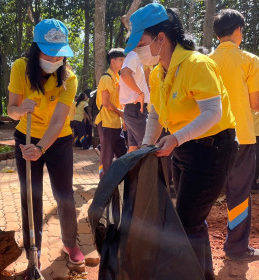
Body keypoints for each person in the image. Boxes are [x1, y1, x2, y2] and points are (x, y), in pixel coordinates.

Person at [125, 4, 237, 279]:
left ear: (160, 38)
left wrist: (175, 138)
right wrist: (146, 147)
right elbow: (155, 114)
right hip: (184, 148)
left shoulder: (196, 64)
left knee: (187, 220)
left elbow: (213, 113)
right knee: (189, 218)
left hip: (213, 149)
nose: (137, 51)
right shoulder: (157, 72)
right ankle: (201, 273)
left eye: (140, 43)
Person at [7, 19, 85, 274]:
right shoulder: (20, 68)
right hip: (25, 138)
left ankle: (70, 244)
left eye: (58, 53)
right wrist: (21, 109)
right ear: (35, 49)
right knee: (30, 196)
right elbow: (11, 110)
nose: (53, 58)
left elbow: (58, 121)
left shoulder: (69, 78)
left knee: (65, 195)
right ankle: (34, 250)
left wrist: (41, 148)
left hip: (58, 140)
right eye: (47, 52)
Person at [210, 9, 259, 261]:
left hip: (210, 135)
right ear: (238, 30)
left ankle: (193, 246)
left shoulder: (205, 61)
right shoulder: (250, 59)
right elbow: (255, 103)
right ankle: (236, 247)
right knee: (238, 192)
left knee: (204, 190)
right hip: (241, 136)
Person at [95, 48, 127, 178]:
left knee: (123, 155)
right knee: (106, 157)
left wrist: (122, 118)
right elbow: (106, 103)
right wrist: (121, 113)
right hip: (106, 122)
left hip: (116, 123)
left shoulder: (118, 77)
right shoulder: (106, 78)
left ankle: (121, 181)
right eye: (121, 60)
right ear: (112, 61)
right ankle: (104, 184)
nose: (123, 62)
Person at [119, 48, 150, 152]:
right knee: (148, 146)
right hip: (136, 108)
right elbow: (124, 74)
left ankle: (132, 169)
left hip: (132, 109)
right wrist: (140, 93)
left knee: (134, 149)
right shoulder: (133, 55)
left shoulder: (135, 58)